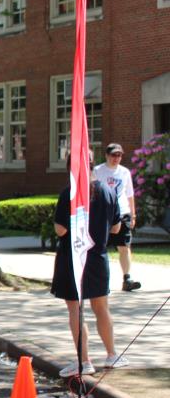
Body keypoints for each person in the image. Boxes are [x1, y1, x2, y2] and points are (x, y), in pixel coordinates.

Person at [52, 161, 129, 377]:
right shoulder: (108, 191)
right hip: (98, 257)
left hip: (73, 257)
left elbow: (60, 230)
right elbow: (116, 227)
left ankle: (84, 361)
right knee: (101, 307)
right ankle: (112, 354)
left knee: (76, 309)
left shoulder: (69, 193)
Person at [93, 143, 141, 291]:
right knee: (100, 247)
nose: (116, 158)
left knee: (124, 247)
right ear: (106, 155)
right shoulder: (98, 171)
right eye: (113, 155)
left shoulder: (124, 172)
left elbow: (129, 194)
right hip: (103, 214)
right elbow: (92, 192)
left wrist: (132, 214)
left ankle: (127, 279)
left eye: (119, 155)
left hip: (122, 213)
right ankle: (99, 280)